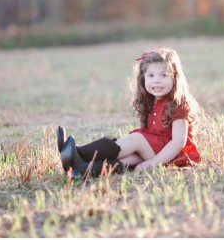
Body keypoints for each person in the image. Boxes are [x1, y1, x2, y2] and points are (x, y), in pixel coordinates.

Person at [57, 47, 202, 178]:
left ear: (175, 78)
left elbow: (178, 142)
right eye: (151, 76)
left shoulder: (178, 104)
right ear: (143, 78)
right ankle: (83, 169)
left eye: (163, 75)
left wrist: (152, 163)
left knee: (136, 139)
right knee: (128, 158)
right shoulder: (153, 101)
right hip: (155, 149)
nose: (157, 81)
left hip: (171, 155)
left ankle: (79, 152)